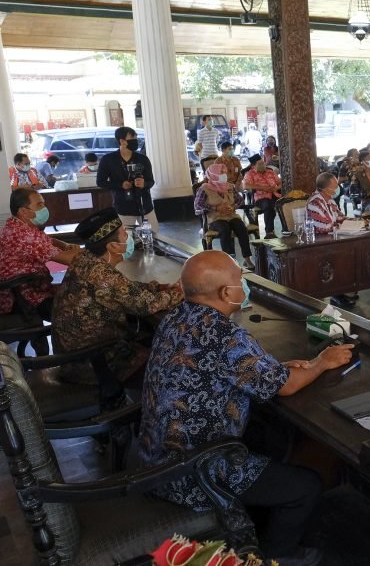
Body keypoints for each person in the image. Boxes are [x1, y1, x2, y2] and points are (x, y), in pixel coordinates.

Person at [138, 250, 354, 565]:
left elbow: (215, 367)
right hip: (192, 472)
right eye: (240, 280)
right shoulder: (225, 334)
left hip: (153, 458)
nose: (244, 285)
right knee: (306, 486)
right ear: (226, 292)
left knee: (269, 436)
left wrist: (272, 366)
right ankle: (278, 555)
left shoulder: (176, 316)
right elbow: (287, 386)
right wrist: (322, 362)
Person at [51, 208, 183, 384]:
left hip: (74, 356)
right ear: (112, 246)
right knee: (175, 366)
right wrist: (179, 292)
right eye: (123, 235)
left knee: (149, 335)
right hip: (93, 363)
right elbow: (145, 305)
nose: (128, 239)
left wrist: (160, 287)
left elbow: (125, 289)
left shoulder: (86, 258)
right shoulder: (103, 275)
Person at [0, 188, 81, 319]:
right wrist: (92, 249)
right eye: (39, 205)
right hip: (26, 298)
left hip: (29, 288)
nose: (44, 208)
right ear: (23, 211)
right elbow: (69, 259)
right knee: (83, 308)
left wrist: (65, 245)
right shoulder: (25, 236)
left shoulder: (16, 225)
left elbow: (48, 240)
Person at [96, 126, 160, 234]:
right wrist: (121, 185)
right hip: (123, 206)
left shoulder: (142, 159)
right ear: (122, 141)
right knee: (125, 239)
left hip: (144, 205)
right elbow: (100, 182)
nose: (135, 141)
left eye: (136, 137)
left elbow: (151, 181)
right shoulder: (108, 160)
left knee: (153, 236)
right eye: (132, 138)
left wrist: (144, 184)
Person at [195, 162, 254, 270]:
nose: (224, 175)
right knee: (224, 229)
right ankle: (230, 261)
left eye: (224, 173)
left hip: (231, 215)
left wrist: (233, 207)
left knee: (241, 228)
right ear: (213, 174)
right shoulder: (204, 189)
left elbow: (240, 200)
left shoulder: (230, 186)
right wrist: (216, 208)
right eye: (221, 173)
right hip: (215, 218)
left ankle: (247, 259)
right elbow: (198, 205)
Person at [243, 155, 282, 238]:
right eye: (260, 163)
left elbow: (280, 183)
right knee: (268, 206)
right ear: (254, 165)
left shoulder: (270, 172)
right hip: (261, 197)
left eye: (263, 162)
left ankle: (286, 229)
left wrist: (275, 188)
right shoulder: (250, 174)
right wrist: (263, 188)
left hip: (274, 194)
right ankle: (269, 232)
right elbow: (245, 186)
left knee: (285, 203)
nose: (263, 164)